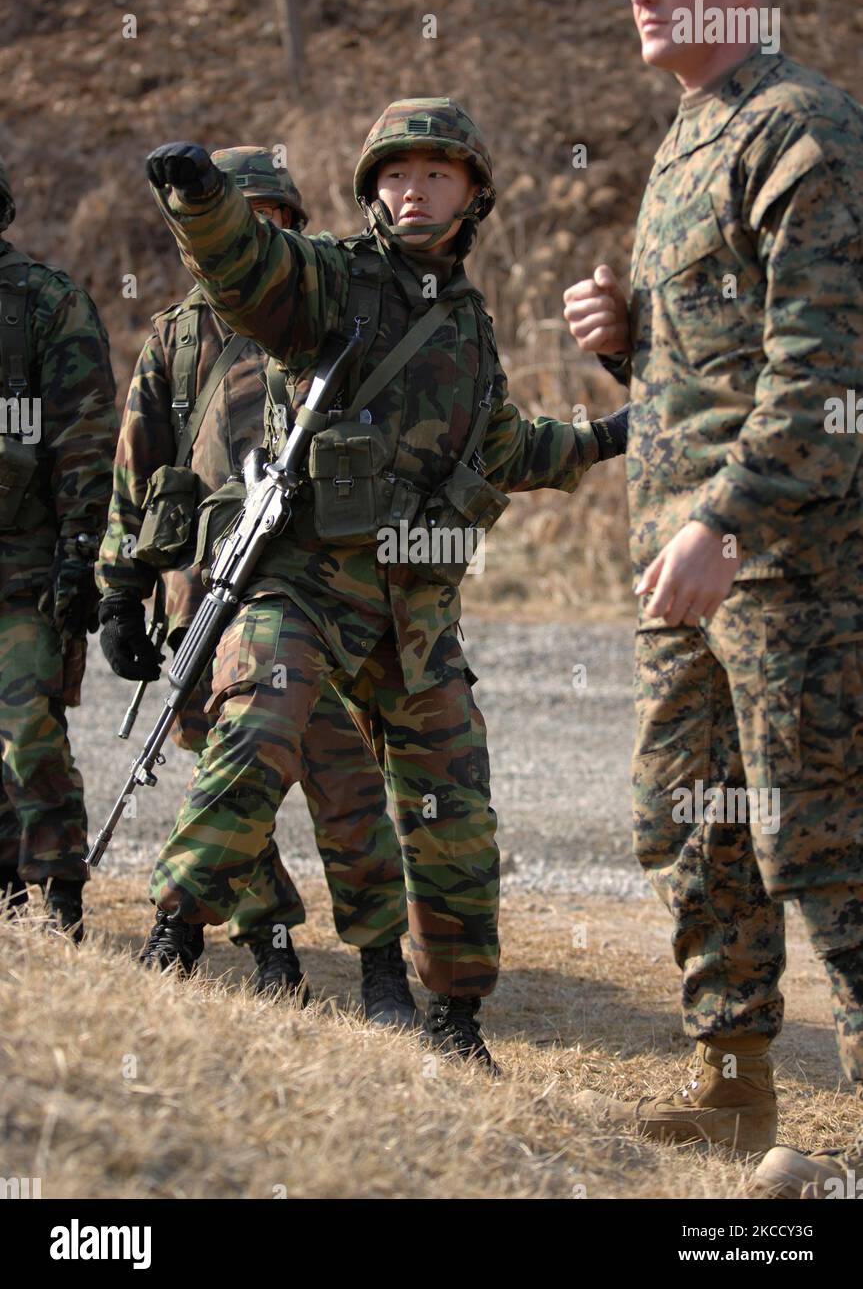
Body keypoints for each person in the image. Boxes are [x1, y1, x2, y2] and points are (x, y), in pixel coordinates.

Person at [142, 99, 629, 1070]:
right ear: (372, 191)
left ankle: (452, 1016)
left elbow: (500, 448)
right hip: (301, 584)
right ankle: (176, 930)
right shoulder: (331, 281)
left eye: (435, 175)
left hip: (412, 613)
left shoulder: (469, 327)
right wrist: (200, 201)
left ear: (471, 193)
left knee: (454, 809)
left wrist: (609, 436)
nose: (414, 190)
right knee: (260, 722)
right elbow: (247, 270)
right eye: (396, 176)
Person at [565, 0, 863, 1187]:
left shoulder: (801, 125)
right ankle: (735, 1085)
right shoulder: (692, 132)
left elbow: (825, 372)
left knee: (825, 831)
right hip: (681, 565)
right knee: (693, 823)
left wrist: (723, 525)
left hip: (786, 563)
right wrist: (627, 336)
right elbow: (720, 359)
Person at [97, 147, 413, 1025]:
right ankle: (263, 936)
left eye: (274, 221)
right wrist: (120, 590)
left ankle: (382, 963)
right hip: (200, 591)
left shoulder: (330, 323)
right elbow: (139, 465)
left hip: (315, 591)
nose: (258, 237)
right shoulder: (177, 336)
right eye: (245, 220)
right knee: (231, 779)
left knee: (344, 783)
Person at [0, 151, 117, 943]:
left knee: (27, 728)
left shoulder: (44, 304)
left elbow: (83, 436)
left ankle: (58, 895)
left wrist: (79, 552)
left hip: (24, 564)